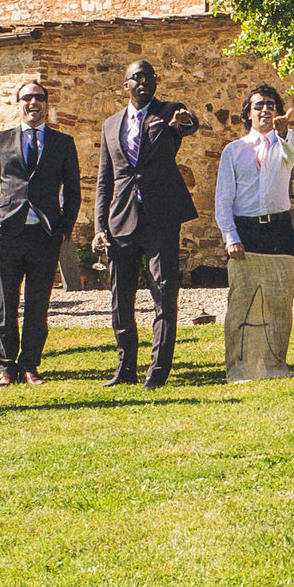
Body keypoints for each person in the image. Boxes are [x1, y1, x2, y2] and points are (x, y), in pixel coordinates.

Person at [94, 59, 203, 387]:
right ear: (125, 84)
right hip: (121, 220)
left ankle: (157, 372)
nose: (144, 82)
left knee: (164, 292)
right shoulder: (110, 125)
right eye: (137, 77)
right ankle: (125, 368)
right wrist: (100, 226)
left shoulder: (169, 111)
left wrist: (184, 122)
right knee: (121, 296)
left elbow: (189, 124)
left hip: (161, 217)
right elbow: (105, 179)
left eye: (149, 77)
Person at [0, 76, 79, 385]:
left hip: (44, 234)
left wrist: (64, 228)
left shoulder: (63, 143)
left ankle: (30, 365)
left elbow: (73, 189)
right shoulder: (1, 140)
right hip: (7, 234)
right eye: (27, 98)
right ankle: (6, 367)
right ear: (18, 104)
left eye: (39, 97)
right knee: (6, 305)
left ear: (47, 104)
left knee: (38, 305)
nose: (33, 102)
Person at [215, 82, 294, 382]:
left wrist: (284, 132)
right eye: (259, 105)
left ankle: (275, 365)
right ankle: (240, 366)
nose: (265, 110)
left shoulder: (285, 144)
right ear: (248, 114)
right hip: (246, 230)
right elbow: (224, 199)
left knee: (279, 302)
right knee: (242, 303)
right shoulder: (234, 150)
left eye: (271, 105)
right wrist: (231, 237)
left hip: (279, 229)